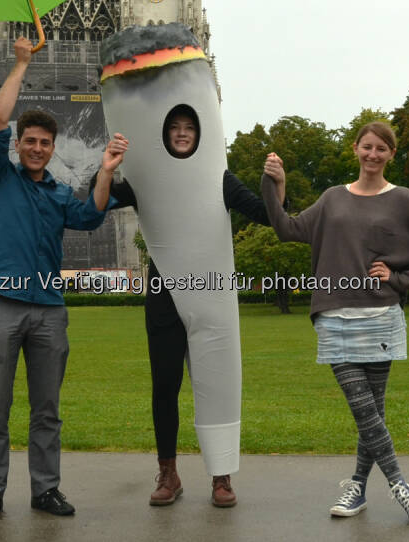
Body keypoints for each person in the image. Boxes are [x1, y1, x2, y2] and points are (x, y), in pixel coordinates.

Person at [0, 36, 129, 522]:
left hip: (48, 312)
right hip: (1, 304)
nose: (37, 148)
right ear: (18, 146)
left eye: (44, 143)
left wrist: (105, 171)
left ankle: (45, 490)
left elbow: (91, 217)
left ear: (52, 148)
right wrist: (20, 65)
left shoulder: (59, 193)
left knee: (47, 411)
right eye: (30, 142)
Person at [261, 121, 409, 523]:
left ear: (390, 155)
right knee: (364, 410)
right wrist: (273, 184)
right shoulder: (332, 198)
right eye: (367, 147)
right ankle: (402, 484)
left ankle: (357, 490)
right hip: (333, 317)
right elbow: (286, 228)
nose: (373, 155)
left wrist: (401, 279)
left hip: (381, 317)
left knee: (371, 414)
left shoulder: (403, 199)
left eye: (381, 149)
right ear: (356, 149)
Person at [97, 105, 281, 508]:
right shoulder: (144, 180)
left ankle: (221, 475)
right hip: (164, 298)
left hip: (211, 296)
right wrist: (108, 168)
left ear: (201, 135)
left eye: (189, 128)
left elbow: (268, 216)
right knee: (164, 387)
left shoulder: (220, 178)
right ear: (164, 134)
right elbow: (95, 206)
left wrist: (276, 185)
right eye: (175, 128)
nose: (182, 134)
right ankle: (169, 472)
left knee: (215, 385)